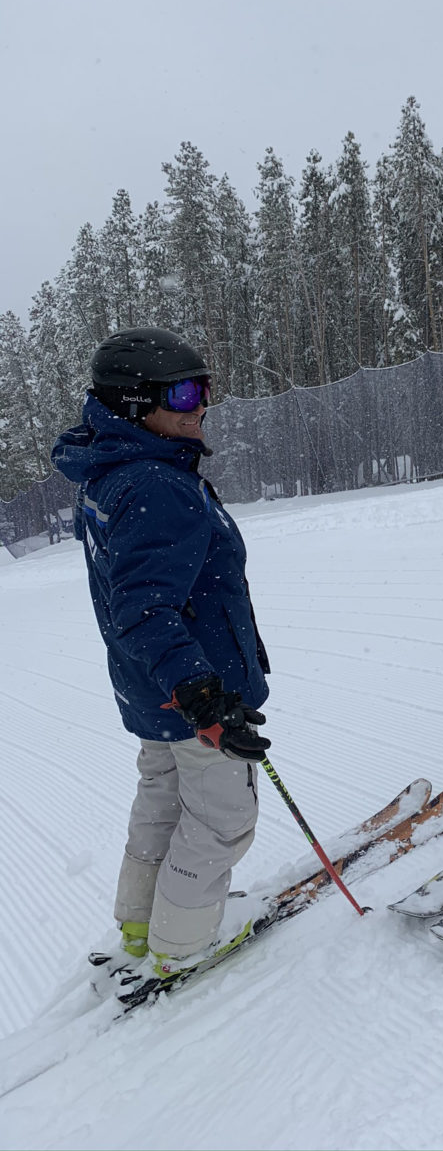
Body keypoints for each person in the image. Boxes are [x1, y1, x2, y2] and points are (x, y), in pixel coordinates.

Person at [52, 327, 272, 978]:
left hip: (151, 687)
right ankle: (182, 944)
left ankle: (144, 922)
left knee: (165, 801)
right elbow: (144, 607)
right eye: (181, 392)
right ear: (131, 405)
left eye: (204, 387)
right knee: (225, 818)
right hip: (189, 687)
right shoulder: (156, 483)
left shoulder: (111, 473)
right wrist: (203, 691)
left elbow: (131, 599)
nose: (199, 403)